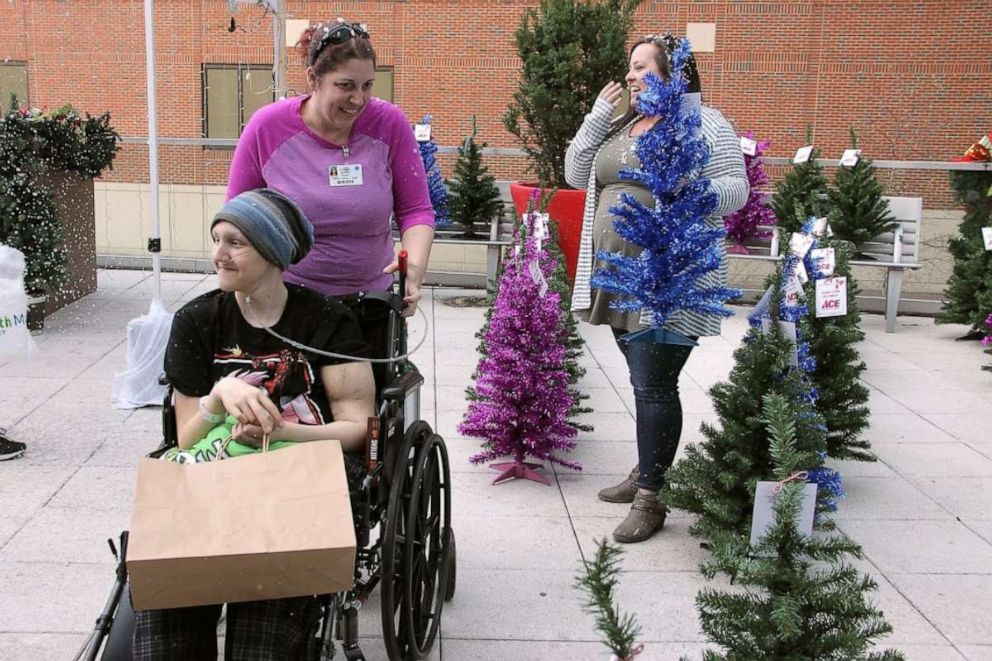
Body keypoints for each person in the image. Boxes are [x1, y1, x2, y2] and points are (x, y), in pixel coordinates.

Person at [132, 188, 376, 659]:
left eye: (236, 243)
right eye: (216, 239)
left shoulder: (327, 320)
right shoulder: (197, 320)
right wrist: (220, 396)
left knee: (263, 628)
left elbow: (358, 428)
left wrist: (283, 431)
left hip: (302, 471)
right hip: (214, 467)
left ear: (272, 251)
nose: (218, 255)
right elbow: (184, 437)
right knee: (170, 609)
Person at [566, 34, 748, 544]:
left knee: (654, 384)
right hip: (616, 276)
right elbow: (577, 174)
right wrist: (597, 121)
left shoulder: (704, 122)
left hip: (670, 277)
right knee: (644, 381)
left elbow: (736, 188)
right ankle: (651, 468)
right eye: (630, 67)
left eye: (641, 67)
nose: (630, 76)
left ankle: (652, 496)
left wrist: (684, 192)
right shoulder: (625, 124)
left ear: (674, 74)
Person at [227, 19, 434, 326]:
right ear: (313, 78)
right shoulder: (267, 127)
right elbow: (237, 220)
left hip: (371, 305)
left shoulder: (389, 124)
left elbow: (416, 209)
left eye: (367, 86)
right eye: (345, 85)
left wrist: (413, 270)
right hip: (288, 303)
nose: (358, 99)